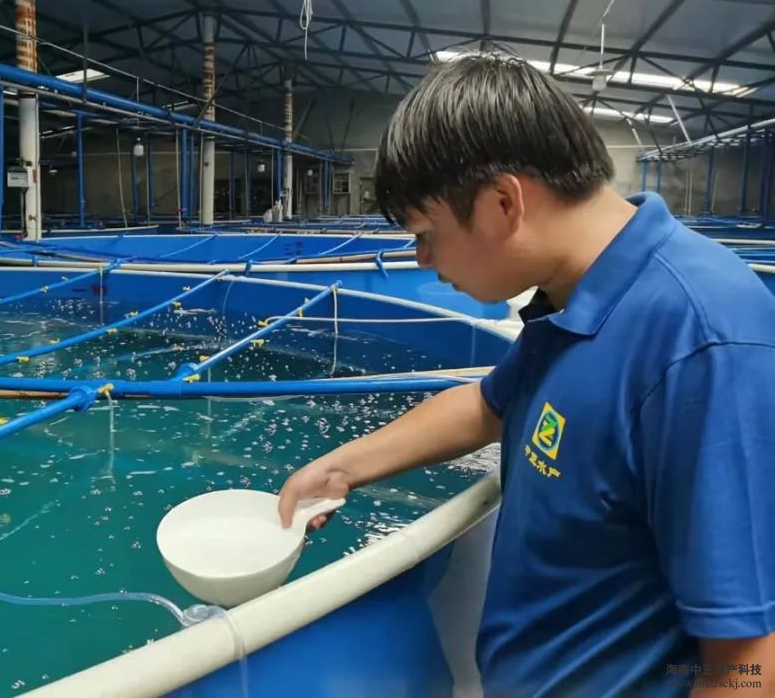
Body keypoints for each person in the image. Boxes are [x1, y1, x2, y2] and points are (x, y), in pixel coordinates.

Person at [277, 51, 775, 697]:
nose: (422, 259)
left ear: (501, 202)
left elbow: (749, 659)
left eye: (425, 232)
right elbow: (490, 404)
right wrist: (342, 466)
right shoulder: (576, 292)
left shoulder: (703, 340)